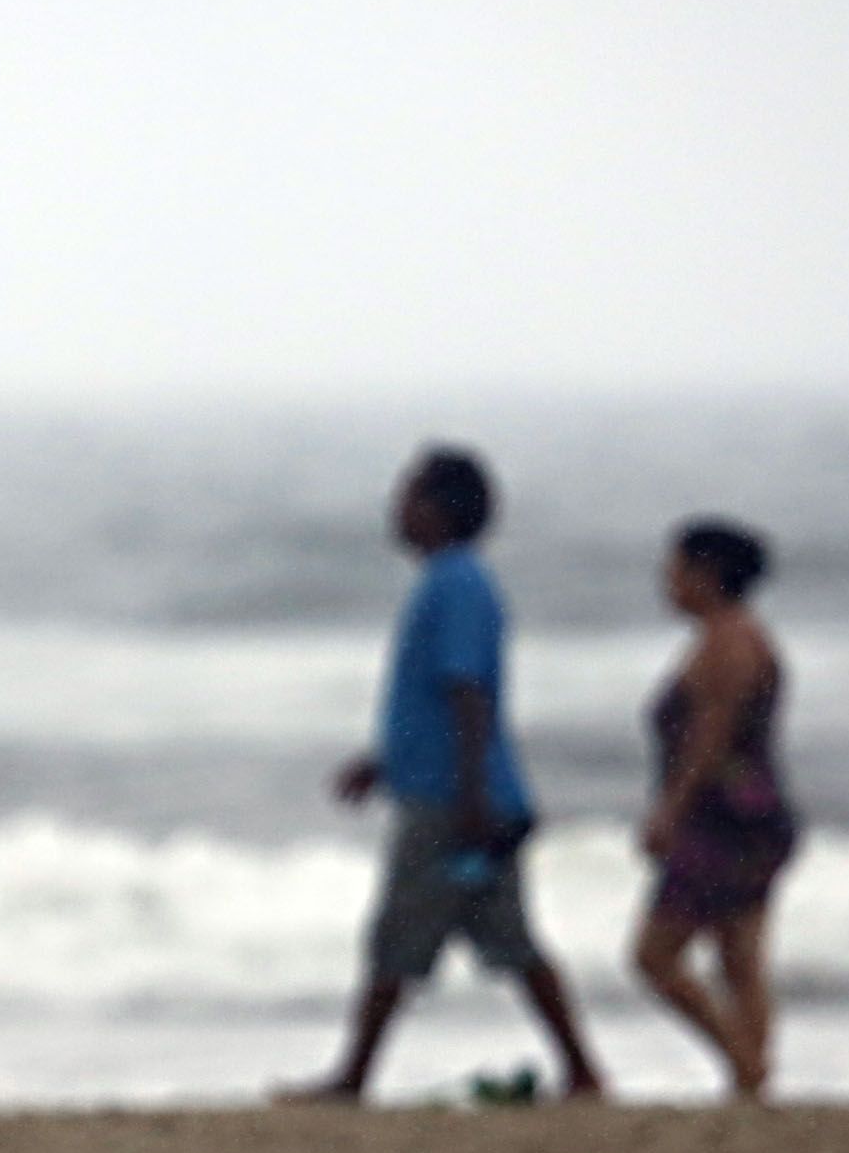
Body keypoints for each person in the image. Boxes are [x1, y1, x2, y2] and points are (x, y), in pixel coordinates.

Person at [283, 445, 604, 1104]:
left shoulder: (456, 584)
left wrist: (472, 795)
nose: (396, 509)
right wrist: (381, 764)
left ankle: (352, 1078)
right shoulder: (450, 582)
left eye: (408, 496)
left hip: (451, 802)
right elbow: (439, 697)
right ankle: (583, 1070)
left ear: (438, 510)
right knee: (510, 942)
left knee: (397, 939)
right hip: (456, 791)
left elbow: (468, 695)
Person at [633, 517, 798, 1100]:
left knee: (655, 955)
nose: (667, 582)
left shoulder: (729, 643)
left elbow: (712, 736)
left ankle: (744, 1062)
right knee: (739, 957)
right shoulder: (736, 636)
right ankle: (750, 1078)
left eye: (675, 570)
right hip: (751, 813)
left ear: (707, 574)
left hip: (724, 819)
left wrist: (670, 811)